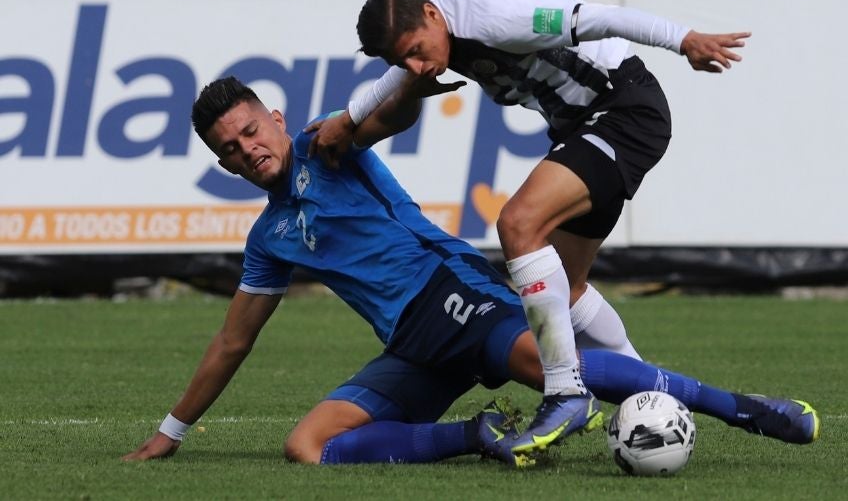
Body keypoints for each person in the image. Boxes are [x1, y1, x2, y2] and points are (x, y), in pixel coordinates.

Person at [123, 77, 818, 468]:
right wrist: (172, 432)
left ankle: (744, 408)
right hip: (411, 343)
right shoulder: (267, 238)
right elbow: (232, 342)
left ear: (274, 119)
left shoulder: (324, 147)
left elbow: (384, 116)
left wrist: (408, 83)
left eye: (251, 131)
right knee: (309, 446)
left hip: (450, 292)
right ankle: (478, 433)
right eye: (231, 149)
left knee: (555, 368)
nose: (247, 149)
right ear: (224, 166)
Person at [305, 0, 752, 456]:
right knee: (569, 286)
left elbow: (602, 18)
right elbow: (401, 79)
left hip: (623, 110)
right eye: (402, 59)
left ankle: (565, 392)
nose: (415, 67)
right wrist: (351, 118)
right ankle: (655, 404)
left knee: (519, 224)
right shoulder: (430, 29)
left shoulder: (495, 14)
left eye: (416, 51)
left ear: (433, 16)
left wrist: (684, 39)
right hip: (580, 127)